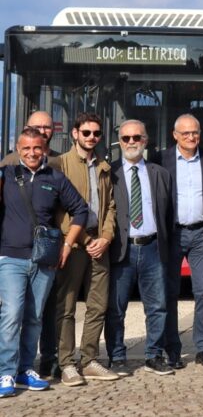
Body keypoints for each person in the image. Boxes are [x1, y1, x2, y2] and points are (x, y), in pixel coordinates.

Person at [0, 127, 88, 398]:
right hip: (11, 258)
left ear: (45, 149)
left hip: (44, 260)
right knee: (12, 315)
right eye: (25, 148)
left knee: (35, 318)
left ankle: (27, 369)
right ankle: (6, 372)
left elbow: (81, 210)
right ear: (17, 148)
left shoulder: (56, 177)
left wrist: (67, 244)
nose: (31, 153)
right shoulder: (7, 175)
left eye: (36, 148)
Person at [49, 113, 120, 386]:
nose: (92, 137)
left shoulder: (103, 166)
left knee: (97, 306)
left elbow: (110, 206)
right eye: (87, 132)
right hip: (75, 244)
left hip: (100, 245)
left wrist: (105, 236)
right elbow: (58, 211)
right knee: (66, 307)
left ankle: (89, 359)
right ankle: (66, 362)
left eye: (96, 133)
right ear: (75, 133)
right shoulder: (60, 164)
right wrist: (83, 241)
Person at [105, 120, 175, 377]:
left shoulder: (160, 174)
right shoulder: (109, 174)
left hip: (153, 248)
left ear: (145, 140)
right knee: (115, 308)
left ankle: (154, 355)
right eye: (126, 138)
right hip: (122, 250)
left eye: (137, 137)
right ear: (119, 142)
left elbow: (168, 215)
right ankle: (118, 357)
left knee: (157, 306)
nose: (131, 142)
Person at [155, 113, 203, 369]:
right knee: (169, 293)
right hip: (172, 235)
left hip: (201, 233)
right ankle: (172, 349)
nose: (191, 137)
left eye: (195, 132)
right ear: (175, 135)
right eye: (186, 133)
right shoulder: (161, 159)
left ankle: (202, 347)